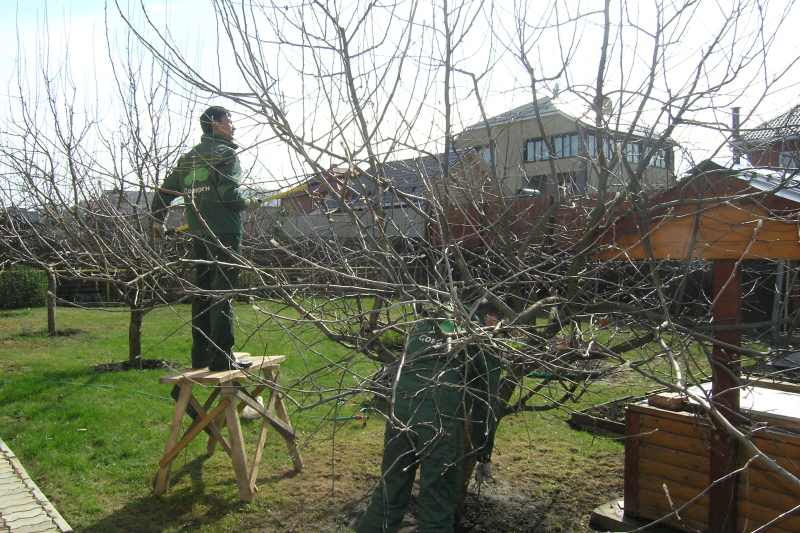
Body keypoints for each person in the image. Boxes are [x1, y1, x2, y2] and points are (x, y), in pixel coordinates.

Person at [356, 299, 502, 533]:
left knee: (389, 490)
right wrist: (483, 452)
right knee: (437, 499)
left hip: (400, 415)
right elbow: (487, 404)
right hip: (439, 425)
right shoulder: (483, 341)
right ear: (490, 318)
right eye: (498, 322)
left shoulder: (428, 323)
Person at [150, 106, 261, 371]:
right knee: (222, 295)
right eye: (229, 121)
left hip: (200, 235)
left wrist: (158, 221)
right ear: (215, 125)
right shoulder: (225, 155)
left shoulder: (189, 158)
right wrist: (250, 203)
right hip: (225, 234)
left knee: (202, 294)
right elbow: (230, 198)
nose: (233, 127)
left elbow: (164, 191)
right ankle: (222, 359)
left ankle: (201, 356)